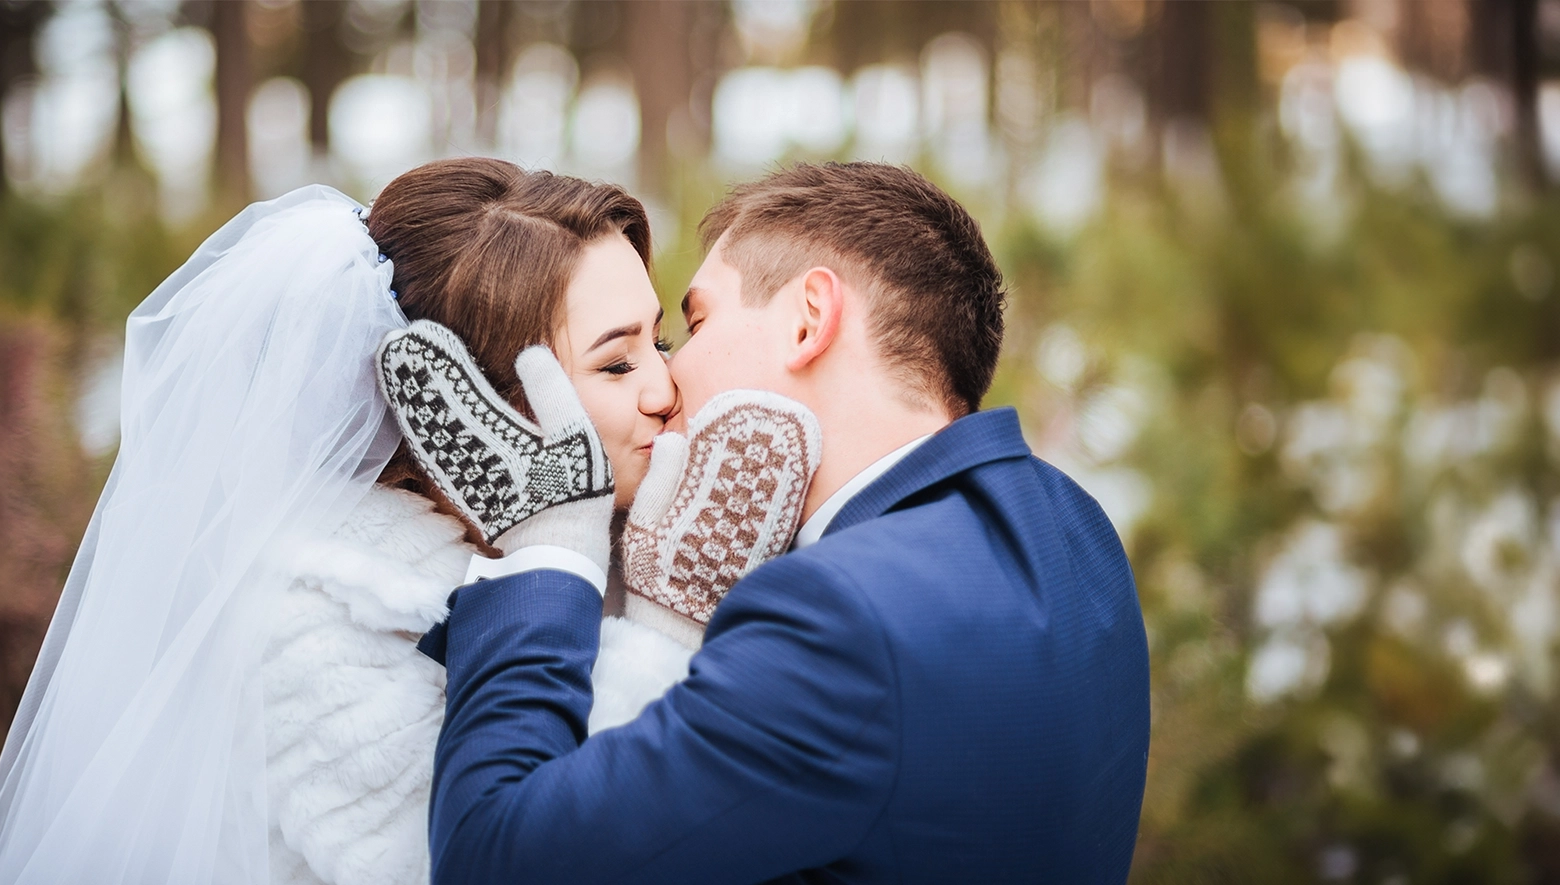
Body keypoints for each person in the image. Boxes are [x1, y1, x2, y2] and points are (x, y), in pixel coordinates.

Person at [0, 158, 820, 885]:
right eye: (616, 360)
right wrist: (669, 628)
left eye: (657, 341)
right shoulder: (307, 624)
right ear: (475, 403)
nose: (666, 388)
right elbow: (527, 858)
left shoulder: (617, 532)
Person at [405, 162, 1151, 883]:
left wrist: (550, 550)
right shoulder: (1070, 523)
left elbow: (489, 858)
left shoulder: (837, 618)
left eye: (691, 326)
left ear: (808, 321)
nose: (670, 381)